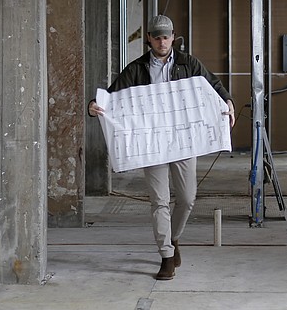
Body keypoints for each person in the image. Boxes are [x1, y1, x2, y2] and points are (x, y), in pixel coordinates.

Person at [88, 14, 235, 280]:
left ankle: (174, 238)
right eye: (156, 37)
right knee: (159, 201)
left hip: (183, 140)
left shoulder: (188, 63)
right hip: (151, 143)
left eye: (166, 36)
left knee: (188, 198)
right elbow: (112, 97)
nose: (161, 41)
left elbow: (213, 85)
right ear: (149, 39)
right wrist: (92, 105)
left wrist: (228, 101)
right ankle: (166, 254)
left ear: (172, 36)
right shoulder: (137, 68)